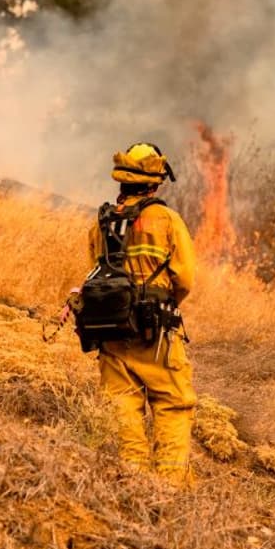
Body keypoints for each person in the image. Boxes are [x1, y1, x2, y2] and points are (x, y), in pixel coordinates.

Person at [79, 142, 198, 488]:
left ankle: (132, 482)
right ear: (156, 181)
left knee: (121, 407)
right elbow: (185, 278)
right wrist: (164, 303)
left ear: (123, 180)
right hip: (155, 333)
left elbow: (94, 273)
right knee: (173, 404)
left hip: (110, 331)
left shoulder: (100, 223)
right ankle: (169, 488)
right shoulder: (167, 220)